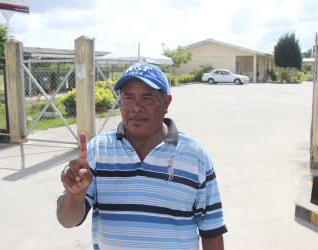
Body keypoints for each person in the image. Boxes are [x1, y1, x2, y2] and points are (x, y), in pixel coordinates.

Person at [57, 62, 227, 249]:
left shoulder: (195, 156)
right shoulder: (98, 150)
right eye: (128, 98)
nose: (136, 107)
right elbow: (67, 221)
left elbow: (212, 230)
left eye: (147, 98)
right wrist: (75, 194)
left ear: (166, 103)